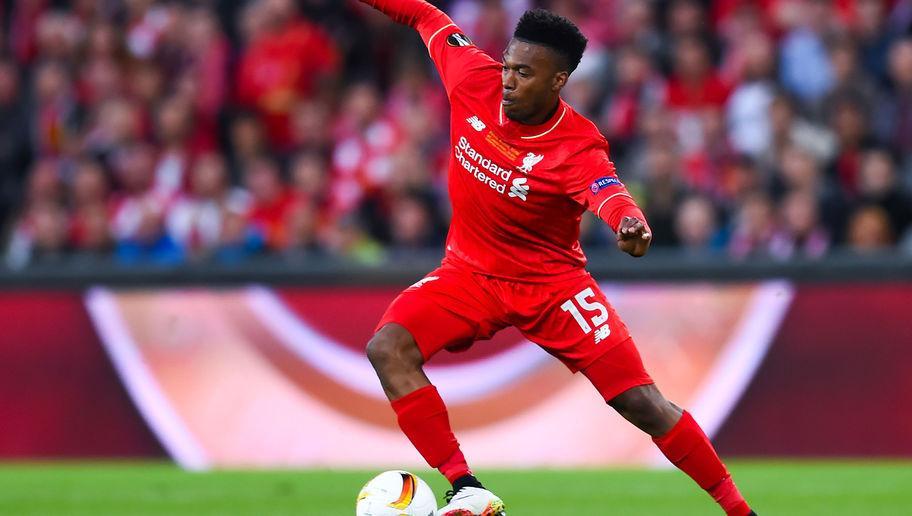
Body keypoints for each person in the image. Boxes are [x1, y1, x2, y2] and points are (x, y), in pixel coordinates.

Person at [358, 2, 756, 515]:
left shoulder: (577, 144)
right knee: (388, 348)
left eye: (524, 73)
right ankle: (465, 486)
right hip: (468, 273)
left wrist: (629, 225)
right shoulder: (472, 78)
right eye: (508, 65)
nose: (508, 80)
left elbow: (608, 193)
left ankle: (740, 511)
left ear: (558, 81)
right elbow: (425, 16)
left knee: (641, 402)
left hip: (553, 288)